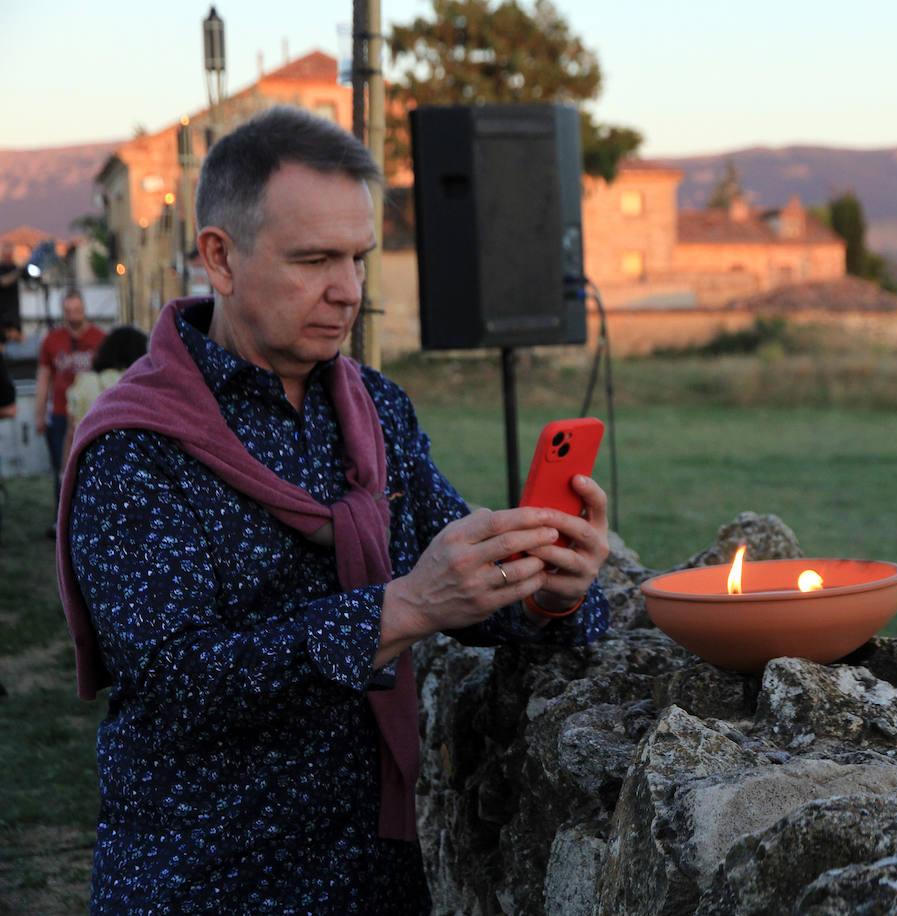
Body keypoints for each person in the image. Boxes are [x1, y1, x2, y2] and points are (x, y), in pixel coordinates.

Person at [57, 106, 611, 913]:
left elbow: (455, 585)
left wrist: (546, 594)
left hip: (377, 874)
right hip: (209, 877)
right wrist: (402, 606)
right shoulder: (136, 447)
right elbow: (175, 681)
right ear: (221, 257)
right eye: (314, 259)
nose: (348, 291)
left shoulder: (375, 409)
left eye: (359, 257)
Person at [35, 288, 104, 518]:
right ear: (63, 312)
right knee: (62, 472)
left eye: (77, 310)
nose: (73, 315)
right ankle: (62, 520)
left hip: (91, 413)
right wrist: (39, 413)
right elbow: (44, 378)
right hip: (61, 413)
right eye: (68, 311)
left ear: (84, 309)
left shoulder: (99, 338)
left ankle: (89, 517)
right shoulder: (52, 340)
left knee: (91, 468)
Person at [60, 325, 149, 467]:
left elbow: (72, 432)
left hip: (90, 465)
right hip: (134, 465)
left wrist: (64, 473)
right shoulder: (144, 384)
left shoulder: (85, 381)